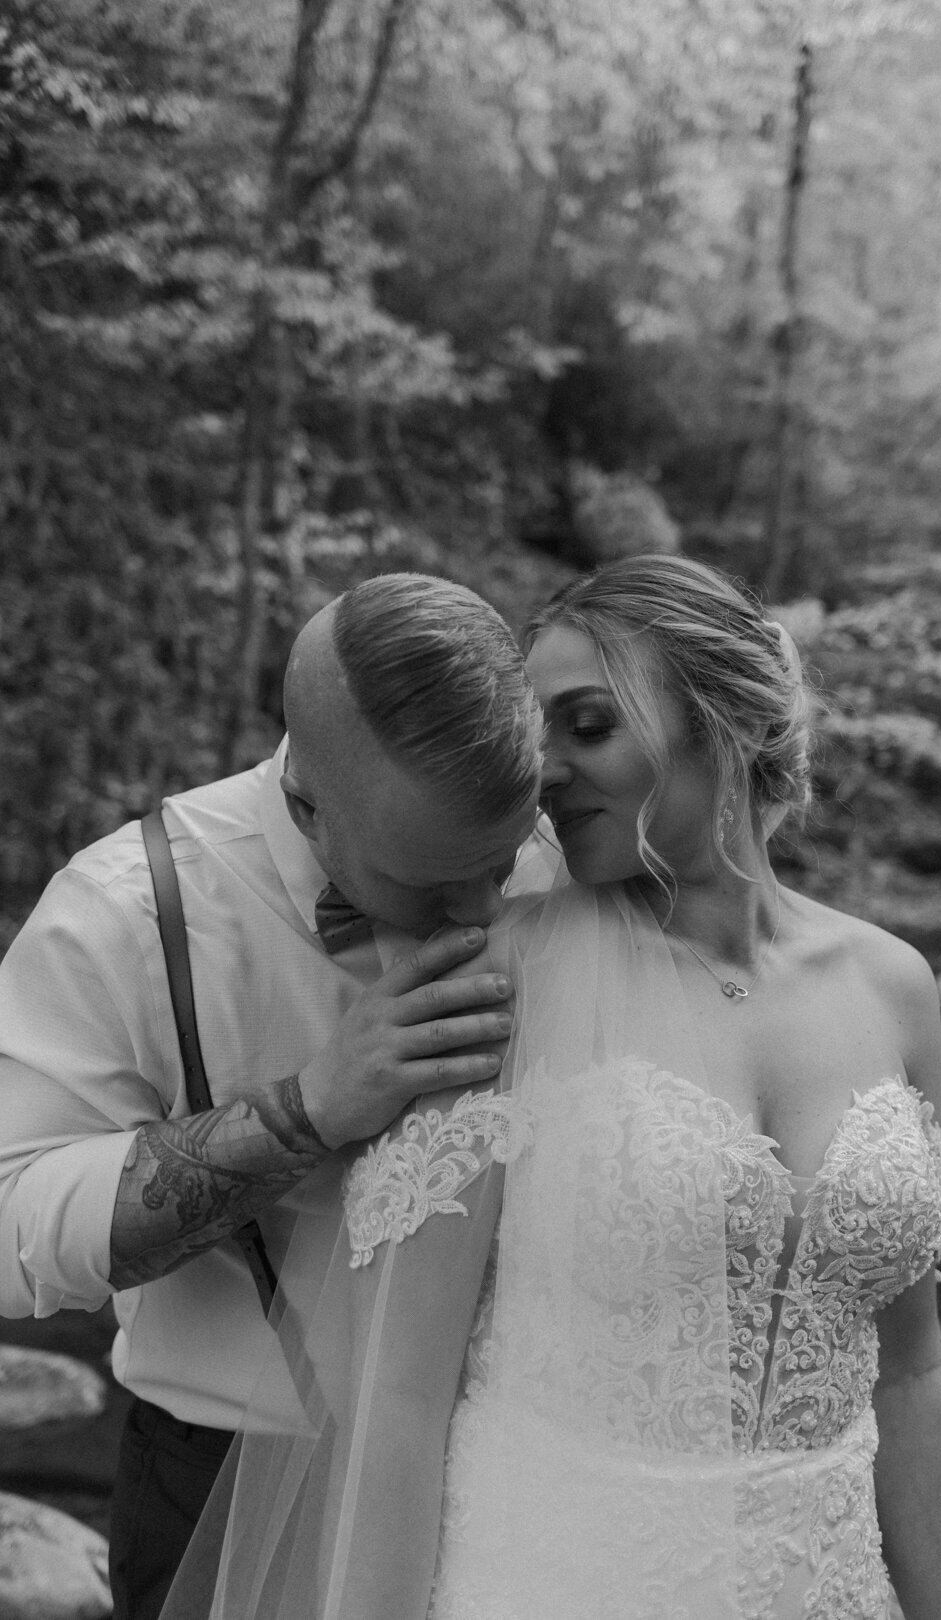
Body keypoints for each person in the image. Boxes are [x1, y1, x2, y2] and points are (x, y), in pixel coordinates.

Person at [165, 555, 941, 1620]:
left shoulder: (894, 986)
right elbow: (398, 1405)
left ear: (724, 721)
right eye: (536, 737)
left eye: (588, 725)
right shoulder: (496, 977)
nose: (546, 772)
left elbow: (911, 1375)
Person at [0, 573, 547, 1620]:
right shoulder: (127, 912)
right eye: (432, 885)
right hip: (223, 1486)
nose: (485, 908)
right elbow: (7, 1224)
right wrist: (305, 1110)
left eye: (504, 861)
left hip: (521, 1482)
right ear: (308, 805)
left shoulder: (558, 857)